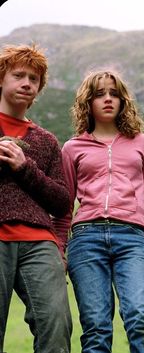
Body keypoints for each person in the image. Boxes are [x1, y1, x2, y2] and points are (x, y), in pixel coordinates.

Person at [52, 69, 144, 353]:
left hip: (133, 239)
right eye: (99, 94)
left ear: (123, 100)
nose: (107, 99)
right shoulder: (72, 147)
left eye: (114, 94)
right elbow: (64, 205)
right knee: (96, 326)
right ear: (87, 102)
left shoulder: (142, 143)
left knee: (140, 316)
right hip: (85, 240)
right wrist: (59, 248)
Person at [0, 44, 72, 353]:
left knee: (57, 328)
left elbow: (62, 201)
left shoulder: (46, 141)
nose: (27, 83)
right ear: (2, 79)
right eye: (18, 75)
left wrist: (23, 167)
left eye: (34, 78)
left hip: (39, 242)